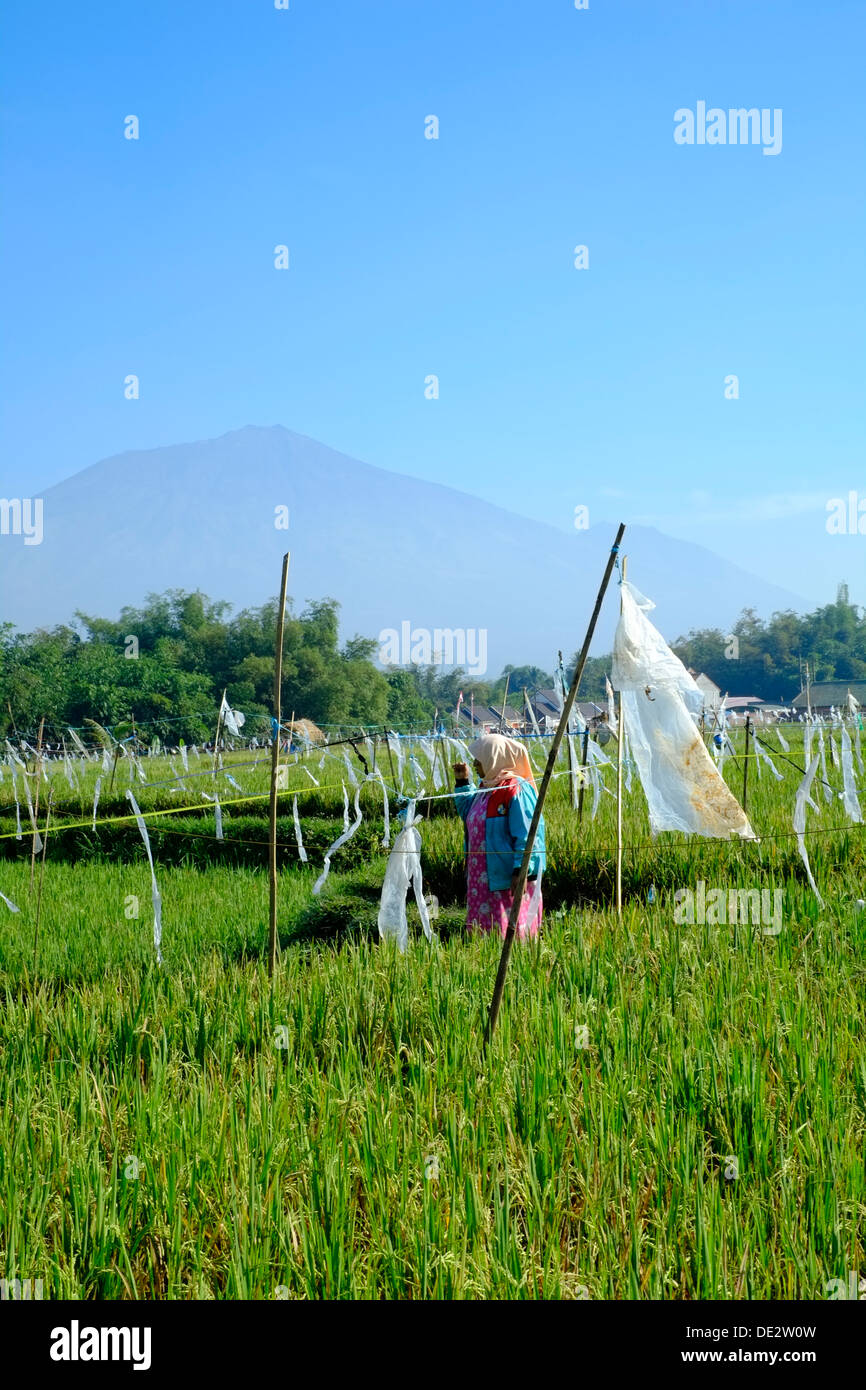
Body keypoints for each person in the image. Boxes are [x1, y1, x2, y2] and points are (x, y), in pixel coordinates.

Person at [452, 733, 545, 939]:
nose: (475, 763)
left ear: (494, 758)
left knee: (508, 933)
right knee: (482, 935)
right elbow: (470, 815)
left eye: (480, 757)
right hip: (482, 876)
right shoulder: (487, 787)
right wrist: (463, 782)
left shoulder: (515, 789)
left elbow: (528, 834)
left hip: (506, 878)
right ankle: (484, 963)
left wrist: (521, 871)